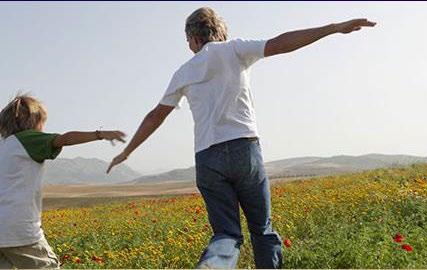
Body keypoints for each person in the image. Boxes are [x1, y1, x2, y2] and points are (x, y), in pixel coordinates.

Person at [107, 7, 375, 269]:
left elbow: (156, 116)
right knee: (262, 228)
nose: (188, 44)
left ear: (195, 38)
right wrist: (332, 28)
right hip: (244, 150)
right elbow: (281, 43)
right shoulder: (235, 49)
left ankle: (213, 264)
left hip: (207, 159)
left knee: (226, 234)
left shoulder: (184, 72)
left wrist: (127, 152)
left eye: (187, 40)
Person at [0, 94, 126, 269]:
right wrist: (100, 134)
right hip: (19, 229)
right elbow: (64, 139)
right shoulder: (28, 139)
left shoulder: (3, 144)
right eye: (42, 122)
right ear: (31, 121)